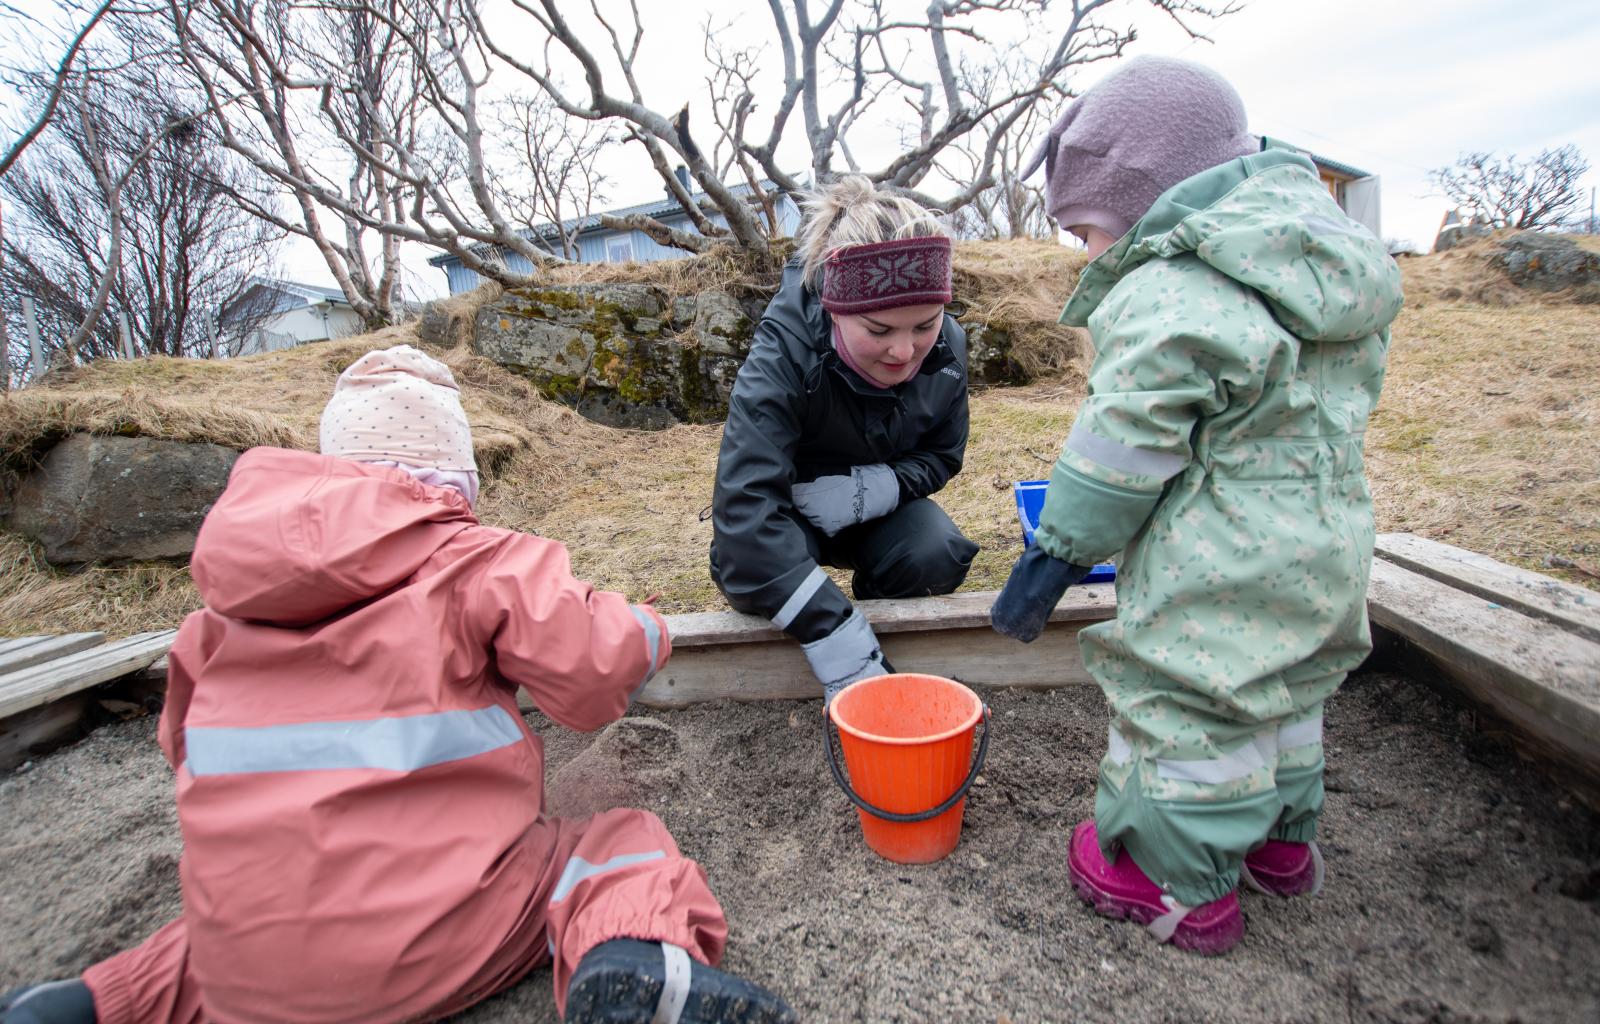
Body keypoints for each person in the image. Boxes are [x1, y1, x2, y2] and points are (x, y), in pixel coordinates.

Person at [1, 345, 795, 1024]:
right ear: (455, 487)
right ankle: (644, 965)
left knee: (214, 943)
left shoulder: (212, 622)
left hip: (252, 982)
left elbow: (179, 749)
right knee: (614, 841)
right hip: (435, 940)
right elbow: (590, 672)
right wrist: (648, 629)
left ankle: (84, 1004)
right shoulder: (475, 557)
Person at [991, 57, 1404, 953]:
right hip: (1328, 544)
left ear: (1147, 201)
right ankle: (1281, 849)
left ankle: (1171, 884)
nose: (1089, 254)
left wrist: (1055, 553)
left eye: (1091, 231)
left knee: (1188, 701)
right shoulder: (1325, 270)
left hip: (1218, 554)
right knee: (1287, 686)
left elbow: (1121, 450)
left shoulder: (1173, 289)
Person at [710, 176, 978, 702]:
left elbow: (943, 454)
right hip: (790, 514)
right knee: (745, 567)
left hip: (878, 515)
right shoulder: (782, 354)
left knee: (935, 552)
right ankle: (833, 620)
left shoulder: (948, 348)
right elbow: (745, 513)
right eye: (878, 331)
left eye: (924, 324)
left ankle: (872, 608)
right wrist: (836, 636)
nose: (905, 351)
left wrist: (879, 487)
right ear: (836, 307)